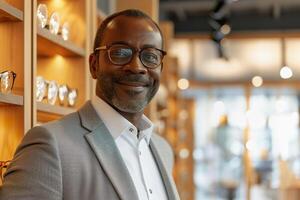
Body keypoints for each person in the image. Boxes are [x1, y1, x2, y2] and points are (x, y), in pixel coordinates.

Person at [0, 9, 180, 200]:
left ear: (160, 67)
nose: (136, 67)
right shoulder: (50, 145)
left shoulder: (163, 149)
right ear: (94, 65)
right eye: (119, 53)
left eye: (150, 56)